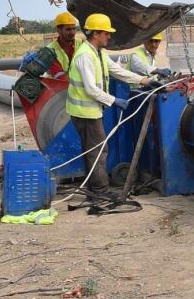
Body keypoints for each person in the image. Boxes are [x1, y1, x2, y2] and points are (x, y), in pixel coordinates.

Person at [66, 13, 150, 199]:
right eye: (106, 33)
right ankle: (100, 192)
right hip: (85, 113)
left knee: (92, 150)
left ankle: (93, 191)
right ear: (96, 34)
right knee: (98, 151)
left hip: (91, 111)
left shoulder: (98, 53)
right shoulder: (85, 56)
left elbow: (117, 71)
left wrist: (145, 80)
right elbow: (90, 89)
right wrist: (114, 100)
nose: (109, 37)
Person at [47, 11, 84, 75]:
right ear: (58, 30)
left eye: (74, 28)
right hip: (58, 84)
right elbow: (58, 76)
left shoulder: (81, 44)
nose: (72, 32)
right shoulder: (50, 50)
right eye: (68, 29)